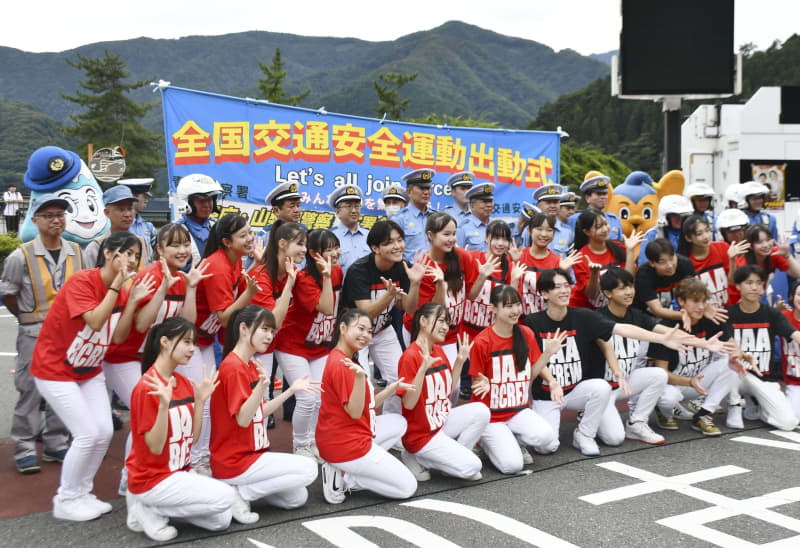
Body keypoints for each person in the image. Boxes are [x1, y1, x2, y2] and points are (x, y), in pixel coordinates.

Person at [30, 232, 152, 521]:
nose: (133, 260)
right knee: (86, 434)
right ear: (109, 254)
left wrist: (131, 301)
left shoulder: (123, 291)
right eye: (127, 253)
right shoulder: (83, 281)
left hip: (89, 369)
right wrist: (117, 288)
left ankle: (82, 492)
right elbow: (96, 321)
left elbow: (120, 336)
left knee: (104, 432)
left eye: (136, 254)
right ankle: (66, 498)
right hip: (54, 370)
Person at [525, 268, 692, 456]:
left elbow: (622, 329)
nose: (564, 290)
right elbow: (535, 362)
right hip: (548, 395)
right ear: (544, 293)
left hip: (575, 390)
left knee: (603, 397)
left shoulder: (582, 316)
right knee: (546, 447)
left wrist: (660, 338)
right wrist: (552, 380)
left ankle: (584, 434)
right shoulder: (533, 322)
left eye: (566, 285)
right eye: (557, 287)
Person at [102, 223, 210, 494]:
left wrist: (192, 287)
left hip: (152, 359)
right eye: (175, 245)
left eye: (186, 244)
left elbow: (187, 326)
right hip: (124, 357)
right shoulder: (149, 277)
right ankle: (131, 477)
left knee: (176, 408)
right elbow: (140, 325)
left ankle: (176, 465)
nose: (183, 250)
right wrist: (163, 287)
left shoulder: (183, 278)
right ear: (159, 250)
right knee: (143, 415)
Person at [125, 318, 235, 541]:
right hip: (153, 479)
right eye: (186, 342)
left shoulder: (183, 383)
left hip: (180, 472)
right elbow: (155, 447)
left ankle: (157, 509)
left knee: (221, 520)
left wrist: (201, 401)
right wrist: (164, 406)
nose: (192, 349)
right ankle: (146, 505)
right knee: (227, 495)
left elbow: (192, 439)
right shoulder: (147, 387)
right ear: (165, 342)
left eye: (193, 342)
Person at [210, 306, 318, 524]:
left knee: (297, 497)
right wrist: (260, 388)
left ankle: (243, 490)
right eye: (265, 329)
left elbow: (260, 412)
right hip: (235, 461)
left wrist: (291, 390)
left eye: (272, 331)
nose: (270, 336)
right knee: (308, 469)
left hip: (252, 456)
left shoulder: (248, 364)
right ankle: (239, 494)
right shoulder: (232, 367)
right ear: (243, 328)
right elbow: (243, 419)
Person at [0, 194, 81, 474]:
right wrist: (25, 316)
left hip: (67, 332)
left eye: (60, 215)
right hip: (34, 330)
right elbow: (8, 293)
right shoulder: (19, 256)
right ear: (34, 220)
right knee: (30, 391)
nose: (56, 220)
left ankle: (55, 443)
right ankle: (23, 447)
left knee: (64, 389)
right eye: (49, 215)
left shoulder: (75, 251)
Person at [316, 308, 417, 504]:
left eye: (369, 331)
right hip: (347, 445)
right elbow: (355, 412)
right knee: (407, 487)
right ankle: (346, 479)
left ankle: (344, 469)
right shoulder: (342, 365)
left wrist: (390, 389)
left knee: (398, 422)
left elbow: (365, 405)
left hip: (347, 436)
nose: (366, 335)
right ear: (343, 328)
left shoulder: (345, 358)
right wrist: (361, 378)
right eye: (360, 328)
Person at [189, 213, 260, 473]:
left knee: (209, 399)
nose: (250, 238)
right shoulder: (217, 264)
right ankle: (196, 460)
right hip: (190, 342)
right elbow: (225, 315)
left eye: (250, 232)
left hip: (205, 339)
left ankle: (203, 455)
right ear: (227, 242)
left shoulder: (236, 259)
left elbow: (237, 291)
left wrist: (253, 271)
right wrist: (250, 293)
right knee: (202, 400)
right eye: (243, 235)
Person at [470, 286, 564, 473]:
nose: (515, 311)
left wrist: (547, 354)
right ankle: (484, 442)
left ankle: (510, 441)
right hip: (492, 417)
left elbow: (530, 376)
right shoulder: (482, 342)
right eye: (508, 306)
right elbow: (476, 384)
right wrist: (484, 383)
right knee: (512, 466)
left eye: (517, 305)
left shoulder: (526, 334)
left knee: (547, 437)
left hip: (518, 410)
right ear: (493, 309)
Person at [397, 303, 489, 481]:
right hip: (421, 435)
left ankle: (453, 460)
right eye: (440, 321)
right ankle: (416, 456)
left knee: (481, 411)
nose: (446, 327)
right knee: (473, 467)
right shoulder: (410, 356)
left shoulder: (438, 350)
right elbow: (408, 404)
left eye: (447, 322)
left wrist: (460, 361)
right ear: (423, 321)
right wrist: (422, 370)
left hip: (439, 422)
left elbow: (446, 391)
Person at [342, 220, 425, 414]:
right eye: (389, 242)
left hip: (382, 329)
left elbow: (410, 309)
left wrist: (414, 283)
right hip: (354, 333)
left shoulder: (403, 266)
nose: (397, 246)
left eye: (400, 240)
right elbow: (365, 314)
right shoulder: (359, 270)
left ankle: (391, 425)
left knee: (400, 380)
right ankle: (362, 432)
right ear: (375, 248)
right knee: (361, 383)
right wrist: (388, 295)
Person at [273, 230, 340, 459]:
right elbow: (327, 308)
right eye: (329, 249)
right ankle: (300, 444)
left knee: (320, 397)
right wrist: (328, 277)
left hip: (319, 346)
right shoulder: (304, 278)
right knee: (306, 397)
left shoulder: (338, 271)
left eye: (336, 247)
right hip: (292, 345)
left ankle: (312, 441)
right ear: (314, 254)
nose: (335, 253)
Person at [647, 277, 742, 436]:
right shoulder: (667, 327)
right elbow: (662, 373)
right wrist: (690, 382)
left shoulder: (710, 320)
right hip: (674, 384)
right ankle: (663, 411)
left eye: (703, 301)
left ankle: (703, 414)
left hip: (698, 381)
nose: (701, 306)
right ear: (681, 301)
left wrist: (738, 355)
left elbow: (734, 348)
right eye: (695, 301)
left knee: (732, 364)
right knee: (669, 398)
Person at [596, 269, 670, 446]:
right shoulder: (597, 318)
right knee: (614, 439)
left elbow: (668, 333)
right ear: (608, 293)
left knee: (658, 375)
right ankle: (586, 415)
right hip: (601, 389)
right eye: (622, 288)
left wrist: (702, 342)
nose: (629, 292)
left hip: (625, 383)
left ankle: (636, 423)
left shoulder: (636, 315)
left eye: (630, 286)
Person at [724, 265, 800, 431]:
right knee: (728, 364)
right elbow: (727, 342)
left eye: (758, 283)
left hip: (764, 378)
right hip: (737, 374)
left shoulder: (771, 314)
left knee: (788, 423)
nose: (754, 287)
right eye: (749, 282)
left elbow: (794, 335)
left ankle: (759, 406)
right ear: (738, 286)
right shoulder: (728, 313)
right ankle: (734, 405)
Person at [402, 213, 480, 373]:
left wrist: (483, 275)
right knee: (427, 381)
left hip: (449, 333)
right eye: (446, 234)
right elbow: (433, 315)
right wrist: (441, 286)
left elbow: (471, 295)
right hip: (422, 331)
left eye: (453, 233)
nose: (452, 239)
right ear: (430, 235)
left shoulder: (462, 257)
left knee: (453, 384)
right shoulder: (424, 266)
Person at [570, 210, 643, 310]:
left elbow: (628, 279)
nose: (605, 229)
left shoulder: (619, 247)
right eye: (598, 227)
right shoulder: (580, 258)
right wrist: (594, 274)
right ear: (587, 232)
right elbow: (591, 294)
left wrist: (630, 251)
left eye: (606, 224)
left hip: (614, 306)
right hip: (586, 309)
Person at [518, 212, 582, 316]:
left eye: (549, 230)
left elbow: (566, 295)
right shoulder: (518, 256)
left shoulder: (557, 261)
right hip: (520, 319)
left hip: (547, 321)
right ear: (529, 231)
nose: (544, 234)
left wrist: (564, 271)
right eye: (539, 229)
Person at [678, 215, 749, 307]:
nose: (706, 236)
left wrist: (732, 259)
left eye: (707, 231)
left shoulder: (722, 247)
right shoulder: (685, 262)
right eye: (699, 234)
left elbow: (733, 282)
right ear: (688, 238)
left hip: (728, 309)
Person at [726, 224, 800, 305]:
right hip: (736, 303)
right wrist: (732, 259)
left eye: (768, 239)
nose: (766, 245)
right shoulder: (743, 262)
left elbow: (797, 274)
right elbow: (733, 282)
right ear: (750, 246)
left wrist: (788, 255)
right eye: (759, 242)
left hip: (756, 301)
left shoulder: (774, 254)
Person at [83, 185, 153, 268]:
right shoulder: (96, 247)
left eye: (130, 209)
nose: (127, 214)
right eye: (121, 209)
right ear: (107, 213)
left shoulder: (143, 244)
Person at [634, 237, 696, 321]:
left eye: (671, 258)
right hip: (646, 317)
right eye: (663, 262)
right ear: (652, 263)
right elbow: (657, 310)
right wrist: (685, 316)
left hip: (675, 312)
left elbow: (694, 294)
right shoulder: (644, 275)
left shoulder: (685, 264)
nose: (670, 265)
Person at [174, 173, 223, 268]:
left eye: (210, 200)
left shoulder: (217, 226)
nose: (207, 205)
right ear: (187, 202)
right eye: (202, 201)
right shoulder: (176, 231)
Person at [389, 168, 435, 263]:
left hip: (435, 273)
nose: (426, 192)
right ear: (409, 192)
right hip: (410, 273)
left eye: (428, 188)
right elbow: (393, 253)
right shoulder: (399, 219)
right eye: (421, 188)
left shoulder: (436, 217)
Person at [636, 194, 694, 267]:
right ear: (665, 216)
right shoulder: (654, 234)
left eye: (684, 215)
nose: (680, 219)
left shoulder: (691, 233)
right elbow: (644, 265)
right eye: (675, 216)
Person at [567, 171, 623, 242]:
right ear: (587, 198)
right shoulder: (575, 219)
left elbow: (620, 246)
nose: (603, 197)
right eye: (599, 194)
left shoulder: (615, 220)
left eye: (605, 194)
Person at [328, 184, 370, 274]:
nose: (354, 210)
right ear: (337, 212)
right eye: (348, 206)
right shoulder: (330, 237)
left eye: (357, 206)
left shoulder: (369, 235)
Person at [533, 184, 571, 257]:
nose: (553, 206)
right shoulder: (530, 230)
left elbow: (571, 259)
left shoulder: (567, 231)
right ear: (538, 205)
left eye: (556, 202)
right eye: (548, 202)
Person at [119, 178, 157, 252]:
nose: (146, 200)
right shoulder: (117, 225)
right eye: (144, 197)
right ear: (133, 196)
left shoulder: (149, 227)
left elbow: (155, 254)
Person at [780, 280, 800, 420]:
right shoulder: (783, 317)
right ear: (792, 297)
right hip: (794, 382)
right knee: (794, 417)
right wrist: (775, 310)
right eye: (799, 294)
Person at [456, 183, 495, 252]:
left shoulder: (496, 225)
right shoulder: (463, 228)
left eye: (490, 201)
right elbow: (458, 255)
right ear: (472, 206)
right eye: (484, 202)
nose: (489, 205)